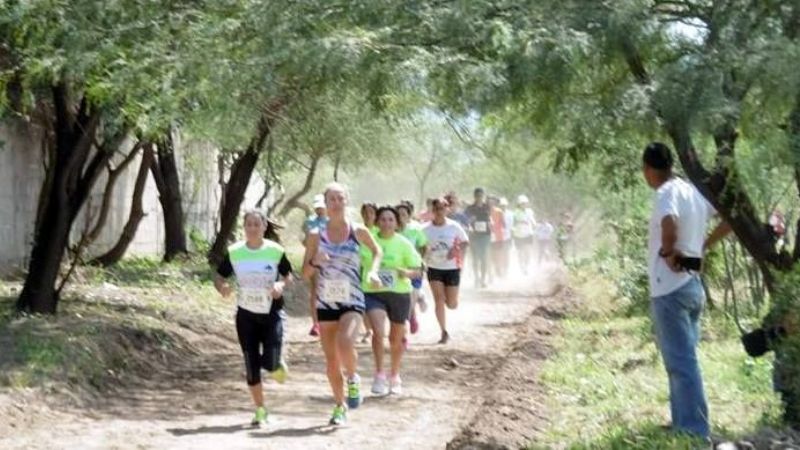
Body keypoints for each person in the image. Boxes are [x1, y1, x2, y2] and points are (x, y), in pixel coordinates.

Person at [642, 142, 731, 439]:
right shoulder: (692, 191)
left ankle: (693, 431)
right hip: (693, 283)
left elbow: (669, 224)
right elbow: (730, 220)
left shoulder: (666, 192)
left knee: (681, 363)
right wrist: (702, 246)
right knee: (683, 359)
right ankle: (684, 421)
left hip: (670, 289)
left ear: (649, 170)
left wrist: (668, 253)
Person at [302, 182, 383, 426]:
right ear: (325, 205)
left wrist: (373, 272)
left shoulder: (358, 231)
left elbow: (377, 251)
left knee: (345, 342)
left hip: (353, 299)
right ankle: (339, 406)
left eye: (340, 199)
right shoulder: (316, 235)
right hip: (326, 301)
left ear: (347, 201)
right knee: (331, 360)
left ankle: (353, 377)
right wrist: (315, 261)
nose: (336, 204)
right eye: (331, 200)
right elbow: (305, 273)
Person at [214, 210, 293, 428]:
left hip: (272, 313)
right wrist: (222, 287)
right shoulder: (235, 252)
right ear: (244, 227)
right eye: (248, 224)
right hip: (246, 315)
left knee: (270, 362)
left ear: (265, 226)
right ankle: (260, 410)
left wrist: (280, 285)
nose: (252, 228)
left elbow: (288, 276)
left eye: (256, 224)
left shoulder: (275, 251)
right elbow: (219, 276)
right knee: (251, 364)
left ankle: (276, 363)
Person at [363, 206, 423, 395]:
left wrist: (407, 273)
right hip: (374, 293)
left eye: (391, 219)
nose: (387, 223)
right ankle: (379, 374)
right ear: (377, 222)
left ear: (397, 223)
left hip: (399, 293)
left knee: (396, 338)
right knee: (378, 333)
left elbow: (419, 270)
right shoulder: (368, 241)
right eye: (383, 219)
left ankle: (395, 375)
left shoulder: (404, 243)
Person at [423, 197, 469, 344]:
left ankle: (453, 300)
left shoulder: (454, 226)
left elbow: (465, 242)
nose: (439, 211)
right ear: (432, 210)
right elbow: (419, 246)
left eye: (442, 208)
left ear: (447, 209)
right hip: (434, 267)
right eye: (436, 209)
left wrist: (455, 251)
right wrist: (424, 253)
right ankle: (443, 331)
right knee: (438, 300)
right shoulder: (425, 229)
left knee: (451, 304)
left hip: (451, 268)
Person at [397, 202, 429, 334]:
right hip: (398, 269)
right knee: (402, 296)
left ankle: (412, 314)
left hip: (414, 267)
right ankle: (410, 316)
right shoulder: (391, 230)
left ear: (409, 216)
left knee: (411, 296)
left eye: (403, 214)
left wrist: (423, 261)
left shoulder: (415, 229)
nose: (400, 217)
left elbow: (424, 246)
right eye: (398, 215)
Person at [304, 194, 329, 338]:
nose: (319, 209)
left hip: (330, 260)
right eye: (317, 207)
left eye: (321, 207)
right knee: (315, 289)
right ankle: (316, 323)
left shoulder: (332, 221)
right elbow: (306, 240)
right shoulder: (310, 222)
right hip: (314, 259)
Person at [359, 202, 379, 342]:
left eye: (371, 212)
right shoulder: (357, 230)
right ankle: (368, 330)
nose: (368, 215)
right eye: (365, 212)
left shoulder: (379, 231)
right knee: (362, 302)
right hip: (360, 270)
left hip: (378, 271)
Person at [465, 187, 492, 288]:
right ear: (474, 196)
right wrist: (470, 220)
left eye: (481, 195)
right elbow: (465, 219)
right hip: (474, 235)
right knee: (475, 258)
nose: (479, 197)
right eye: (477, 196)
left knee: (484, 257)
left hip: (485, 234)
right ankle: (476, 277)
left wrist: (490, 223)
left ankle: (483, 279)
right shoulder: (470, 208)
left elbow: (489, 218)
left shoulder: (487, 207)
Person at [511, 195, 536, 274]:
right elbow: (514, 222)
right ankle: (522, 266)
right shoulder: (515, 212)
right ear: (519, 204)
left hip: (528, 233)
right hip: (518, 234)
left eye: (525, 203)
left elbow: (532, 219)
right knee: (521, 251)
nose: (524, 205)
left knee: (528, 251)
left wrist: (534, 224)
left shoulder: (529, 211)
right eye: (522, 203)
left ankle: (526, 265)